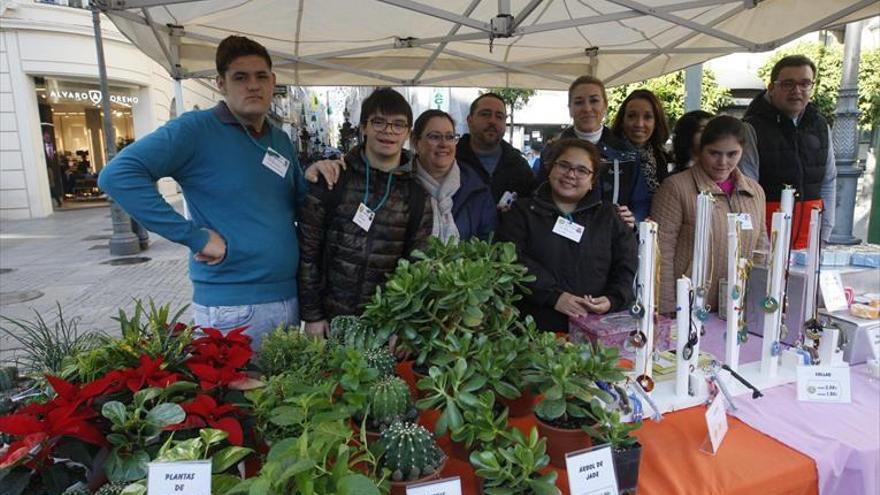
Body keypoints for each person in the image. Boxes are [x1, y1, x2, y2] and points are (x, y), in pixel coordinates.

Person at [98, 35, 306, 349]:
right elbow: (118, 176)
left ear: (273, 81)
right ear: (220, 83)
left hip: (288, 298)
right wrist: (195, 237)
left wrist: (318, 175)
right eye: (240, 77)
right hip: (233, 308)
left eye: (261, 76)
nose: (253, 85)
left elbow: (298, 201)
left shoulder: (279, 139)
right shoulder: (195, 130)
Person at [297, 88, 433, 338]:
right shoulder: (333, 179)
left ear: (407, 133)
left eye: (398, 124)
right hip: (329, 322)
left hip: (382, 327)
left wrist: (401, 325)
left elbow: (416, 267)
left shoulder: (416, 196)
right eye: (378, 122)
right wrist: (312, 314)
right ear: (364, 127)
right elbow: (308, 254)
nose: (388, 131)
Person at [496, 138, 637, 333]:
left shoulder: (609, 216)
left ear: (592, 181)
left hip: (595, 329)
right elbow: (512, 260)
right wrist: (554, 296)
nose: (571, 174)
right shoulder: (522, 212)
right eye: (564, 165)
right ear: (550, 168)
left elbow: (626, 264)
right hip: (535, 329)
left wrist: (612, 299)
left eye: (582, 170)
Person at [304, 109, 495, 242]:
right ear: (415, 142)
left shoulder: (476, 189)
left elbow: (488, 246)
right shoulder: (396, 181)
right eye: (434, 136)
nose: (444, 144)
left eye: (450, 137)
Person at [652, 116, 767, 315]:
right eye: (714, 153)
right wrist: (666, 307)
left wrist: (760, 300)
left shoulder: (755, 192)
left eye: (732, 154)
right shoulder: (676, 188)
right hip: (687, 308)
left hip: (738, 307)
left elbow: (761, 247)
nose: (723, 162)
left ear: (743, 152)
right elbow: (662, 251)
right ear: (699, 150)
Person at [740, 54, 835, 248]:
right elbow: (747, 190)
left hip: (809, 237)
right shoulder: (751, 127)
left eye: (805, 83)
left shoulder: (820, 125)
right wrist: (760, 242)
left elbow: (828, 181)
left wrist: (824, 234)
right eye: (788, 84)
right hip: (767, 240)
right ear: (771, 88)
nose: (797, 91)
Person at [536, 75, 650, 228]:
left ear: (605, 106)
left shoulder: (627, 153)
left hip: (611, 242)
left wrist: (633, 219)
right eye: (579, 102)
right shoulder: (551, 152)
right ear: (570, 109)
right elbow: (538, 197)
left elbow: (641, 203)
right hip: (559, 240)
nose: (587, 108)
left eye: (594, 100)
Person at [455, 93, 535, 207]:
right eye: (485, 114)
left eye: (499, 116)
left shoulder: (519, 166)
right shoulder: (451, 160)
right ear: (470, 120)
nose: (492, 121)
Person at [611, 89, 673, 192]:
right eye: (632, 116)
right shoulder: (607, 156)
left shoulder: (662, 158)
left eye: (647, 117)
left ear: (656, 122)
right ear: (622, 120)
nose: (639, 124)